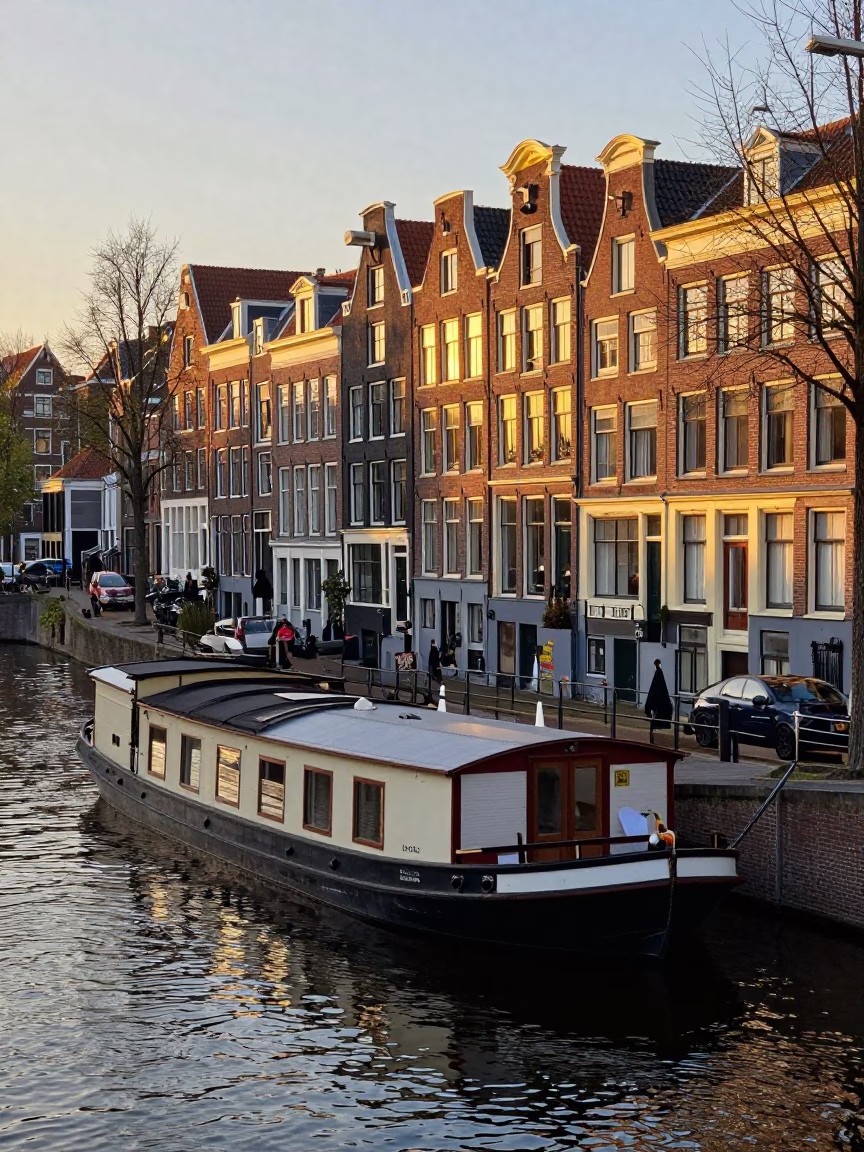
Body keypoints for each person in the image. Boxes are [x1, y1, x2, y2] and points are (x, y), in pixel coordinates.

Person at [644, 658, 673, 733]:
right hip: (659, 699)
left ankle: (652, 730)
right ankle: (653, 729)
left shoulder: (657, 673)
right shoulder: (659, 673)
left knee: (654, 714)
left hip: (655, 699)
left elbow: (654, 687)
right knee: (656, 714)